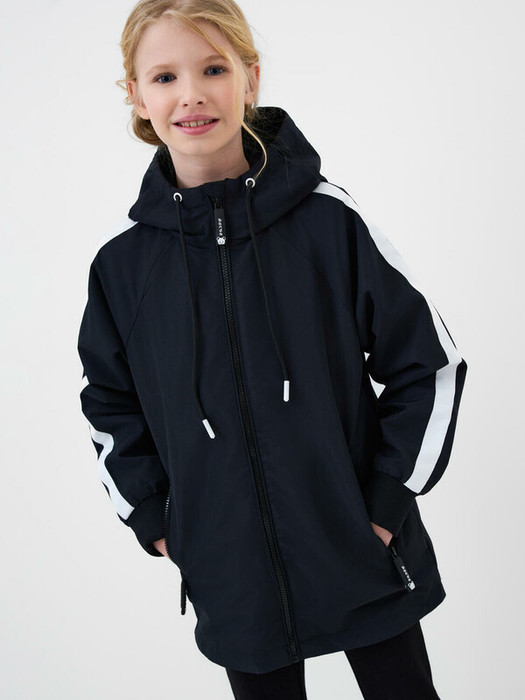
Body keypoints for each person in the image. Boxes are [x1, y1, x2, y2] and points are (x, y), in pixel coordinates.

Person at [76, 0, 468, 697]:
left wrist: (383, 505)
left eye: (213, 69)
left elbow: (429, 367)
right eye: (164, 77)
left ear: (249, 79)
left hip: (359, 548)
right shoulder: (122, 265)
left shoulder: (328, 222)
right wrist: (160, 522)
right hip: (231, 572)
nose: (191, 94)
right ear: (135, 95)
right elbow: (109, 403)